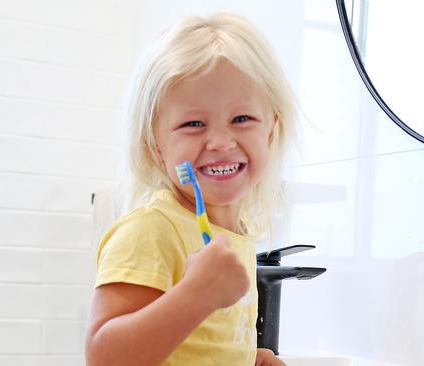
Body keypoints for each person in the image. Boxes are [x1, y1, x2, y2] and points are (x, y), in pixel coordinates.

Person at [85, 12, 296, 366]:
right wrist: (198, 294)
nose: (219, 141)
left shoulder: (233, 236)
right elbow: (105, 358)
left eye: (241, 119)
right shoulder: (153, 231)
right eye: (193, 123)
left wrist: (245, 357)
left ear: (270, 130)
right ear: (156, 145)